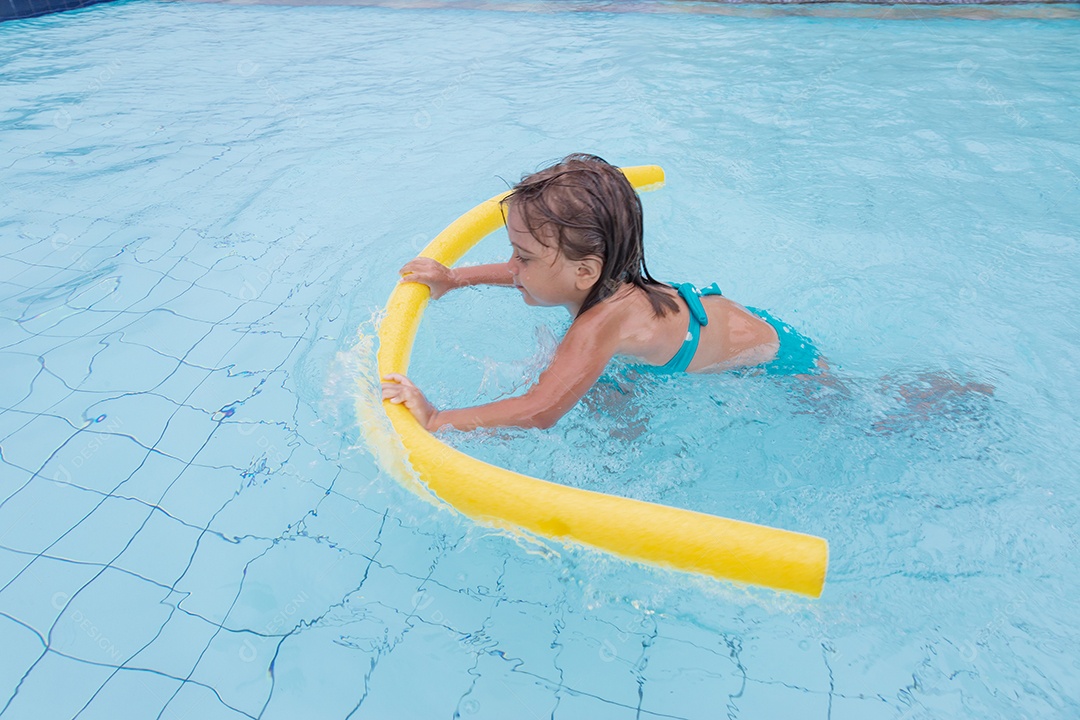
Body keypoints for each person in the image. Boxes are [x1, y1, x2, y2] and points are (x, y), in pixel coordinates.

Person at [381, 154, 823, 431]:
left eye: (524, 257)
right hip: (732, 322)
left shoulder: (598, 325)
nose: (513, 267)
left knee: (864, 414)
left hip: (779, 363)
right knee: (605, 393)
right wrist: (454, 278)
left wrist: (438, 420)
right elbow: (525, 273)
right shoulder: (606, 281)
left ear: (586, 271)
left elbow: (540, 410)